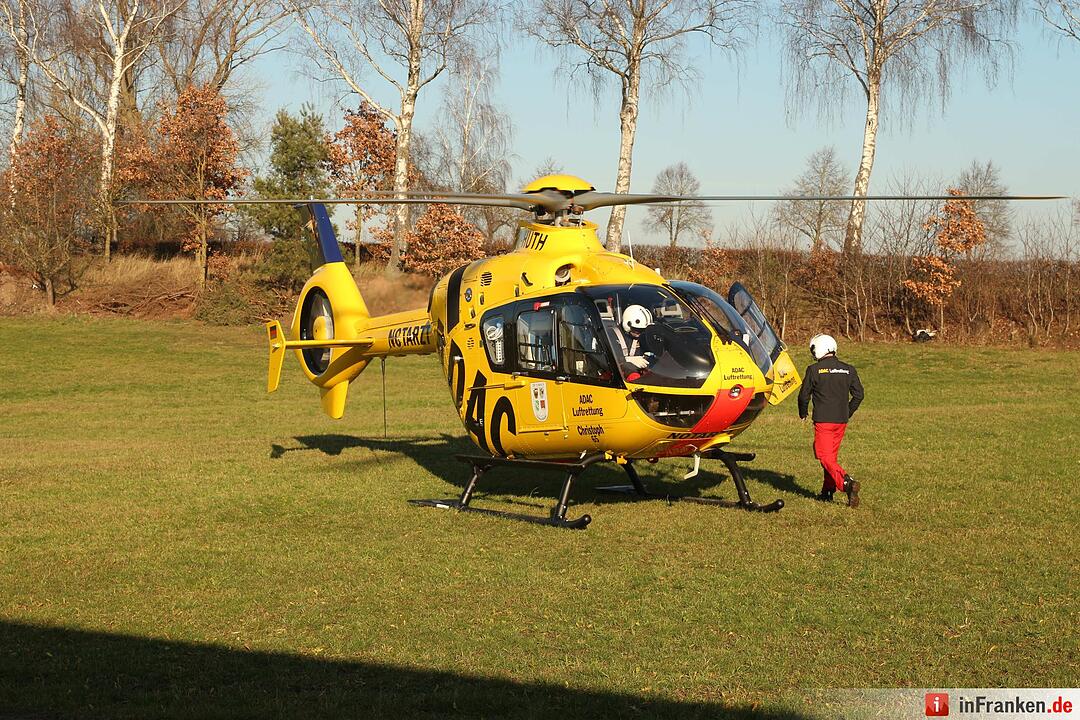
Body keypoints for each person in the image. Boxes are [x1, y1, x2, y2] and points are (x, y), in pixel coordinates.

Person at [797, 334, 864, 507]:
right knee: (831, 457)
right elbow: (859, 395)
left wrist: (802, 413)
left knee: (824, 456)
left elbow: (804, 396)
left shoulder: (813, 370)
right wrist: (847, 412)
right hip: (841, 420)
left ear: (818, 349)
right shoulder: (849, 369)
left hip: (824, 421)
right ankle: (827, 491)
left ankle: (846, 483)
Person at [611, 304, 656, 379]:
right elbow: (605, 359)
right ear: (628, 324)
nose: (640, 333)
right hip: (619, 378)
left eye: (643, 330)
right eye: (638, 330)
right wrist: (627, 359)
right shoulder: (611, 335)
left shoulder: (641, 338)